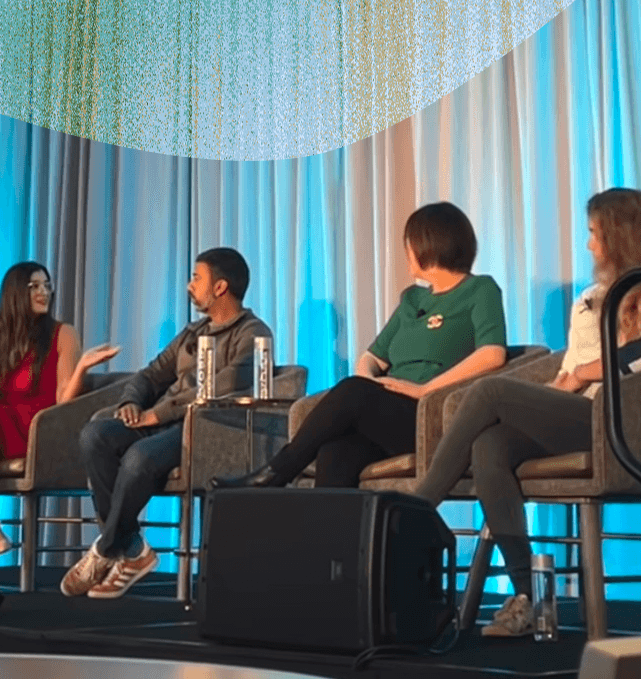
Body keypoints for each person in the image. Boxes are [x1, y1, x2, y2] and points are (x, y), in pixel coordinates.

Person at [413, 187, 641, 638]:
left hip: (621, 423)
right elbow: (567, 374)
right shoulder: (589, 299)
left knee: (490, 391)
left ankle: (416, 508)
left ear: (621, 237)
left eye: (595, 233)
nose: (589, 244)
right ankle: (526, 596)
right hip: (579, 416)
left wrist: (581, 373)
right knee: (490, 445)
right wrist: (560, 385)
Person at [211, 201, 507, 492]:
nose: (406, 252)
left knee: (353, 391)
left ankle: (276, 471)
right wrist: (370, 383)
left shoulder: (480, 290)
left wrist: (424, 389)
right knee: (336, 450)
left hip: (431, 413)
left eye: (409, 243)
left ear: (428, 244)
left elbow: (492, 354)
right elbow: (371, 358)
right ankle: (326, 525)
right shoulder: (413, 300)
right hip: (390, 411)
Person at [60, 247, 273, 599]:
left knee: (139, 457)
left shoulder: (253, 334)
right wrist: (131, 402)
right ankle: (131, 549)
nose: (190, 285)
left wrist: (159, 413)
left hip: (204, 429)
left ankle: (105, 549)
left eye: (197, 278)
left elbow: (217, 390)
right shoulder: (192, 333)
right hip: (159, 420)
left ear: (220, 287)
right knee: (95, 435)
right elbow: (150, 374)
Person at [0, 262, 120, 568]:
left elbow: (63, 401)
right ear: (15, 293)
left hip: (39, 430)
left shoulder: (63, 334)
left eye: (46, 285)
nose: (43, 292)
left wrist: (82, 368)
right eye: (34, 286)